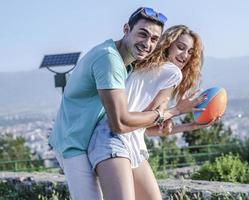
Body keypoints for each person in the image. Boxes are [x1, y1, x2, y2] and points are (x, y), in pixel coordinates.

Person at [49, 8, 204, 200]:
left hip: (105, 138)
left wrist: (188, 123)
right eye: (142, 34)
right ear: (126, 29)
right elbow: (121, 124)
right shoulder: (110, 60)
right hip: (74, 141)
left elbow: (143, 127)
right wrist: (175, 111)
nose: (147, 43)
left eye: (154, 39)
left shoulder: (131, 65)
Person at [88, 25, 218, 200]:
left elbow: (147, 128)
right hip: (113, 140)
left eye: (190, 52)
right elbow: (152, 118)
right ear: (168, 45)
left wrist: (192, 125)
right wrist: (178, 110)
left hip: (125, 140)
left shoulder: (144, 65)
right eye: (180, 47)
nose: (185, 55)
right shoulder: (173, 73)